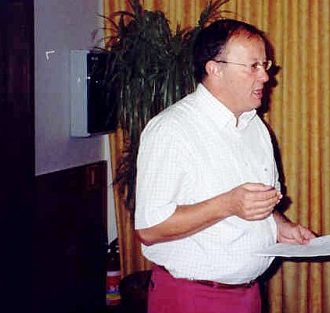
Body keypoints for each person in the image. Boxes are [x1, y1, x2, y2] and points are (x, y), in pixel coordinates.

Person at [134, 19, 315, 313]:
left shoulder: (255, 126)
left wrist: (279, 226)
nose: (265, 77)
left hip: (248, 294)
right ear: (215, 69)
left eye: (265, 65)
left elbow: (256, 202)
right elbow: (150, 228)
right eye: (253, 66)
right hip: (192, 298)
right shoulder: (172, 130)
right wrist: (227, 204)